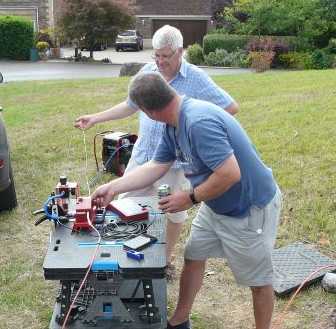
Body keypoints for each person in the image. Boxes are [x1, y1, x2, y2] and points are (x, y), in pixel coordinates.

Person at [91, 72, 282, 329]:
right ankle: (180, 320)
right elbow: (157, 165)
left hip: (248, 207)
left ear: (149, 111)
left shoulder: (198, 122)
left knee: (257, 280)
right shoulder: (173, 123)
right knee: (194, 255)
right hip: (216, 204)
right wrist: (115, 187)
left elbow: (231, 174)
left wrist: (190, 198)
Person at [75, 25, 239, 263]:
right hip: (144, 156)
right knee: (125, 204)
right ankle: (125, 254)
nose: (160, 62)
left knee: (173, 214)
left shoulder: (196, 77)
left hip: (175, 164)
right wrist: (95, 118)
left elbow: (230, 107)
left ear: (180, 51)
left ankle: (165, 259)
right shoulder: (148, 72)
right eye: (156, 55)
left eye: (165, 56)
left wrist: (200, 136)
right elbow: (130, 105)